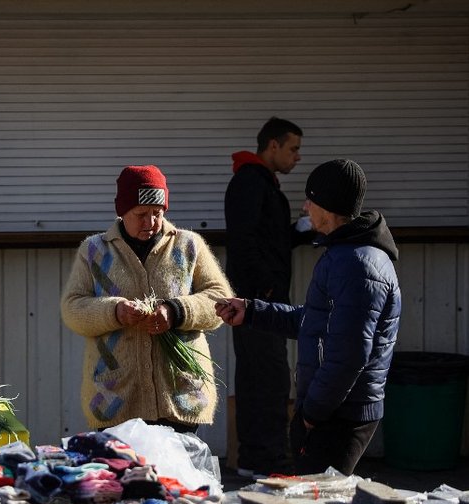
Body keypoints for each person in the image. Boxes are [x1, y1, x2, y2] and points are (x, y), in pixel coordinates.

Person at [216, 159, 401, 477]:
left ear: (327, 208)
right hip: (333, 410)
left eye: (310, 199)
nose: (305, 207)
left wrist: (311, 414)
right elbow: (319, 322)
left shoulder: (356, 263)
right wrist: (254, 311)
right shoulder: (346, 254)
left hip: (338, 415)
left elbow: (349, 353)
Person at [60, 165, 233, 434]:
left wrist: (176, 311)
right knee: (125, 474)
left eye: (157, 213)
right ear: (122, 211)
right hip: (115, 399)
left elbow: (220, 300)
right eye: (140, 214)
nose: (150, 223)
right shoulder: (94, 250)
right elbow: (72, 308)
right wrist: (115, 311)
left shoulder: (188, 246)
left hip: (179, 396)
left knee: (175, 474)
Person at [224, 116, 309, 477]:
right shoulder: (249, 182)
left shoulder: (262, 183)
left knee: (261, 375)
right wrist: (265, 288)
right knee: (269, 376)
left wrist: (301, 230)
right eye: (293, 149)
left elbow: (268, 240)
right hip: (257, 301)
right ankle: (267, 461)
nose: (297, 157)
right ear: (272, 146)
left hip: (259, 299)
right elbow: (243, 240)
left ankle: (255, 459)